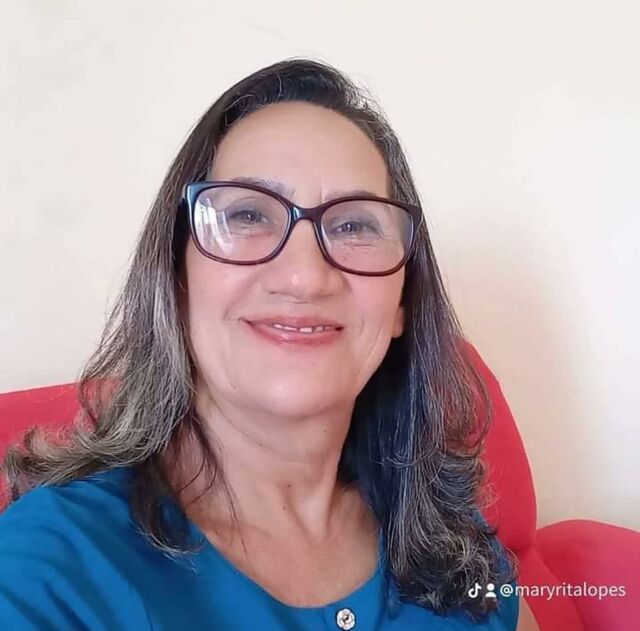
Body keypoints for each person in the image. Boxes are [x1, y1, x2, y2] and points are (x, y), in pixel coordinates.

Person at [0, 58, 539, 630]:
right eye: (249, 215)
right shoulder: (50, 570)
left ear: (403, 300)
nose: (304, 277)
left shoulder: (455, 546)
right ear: (177, 278)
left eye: (355, 226)